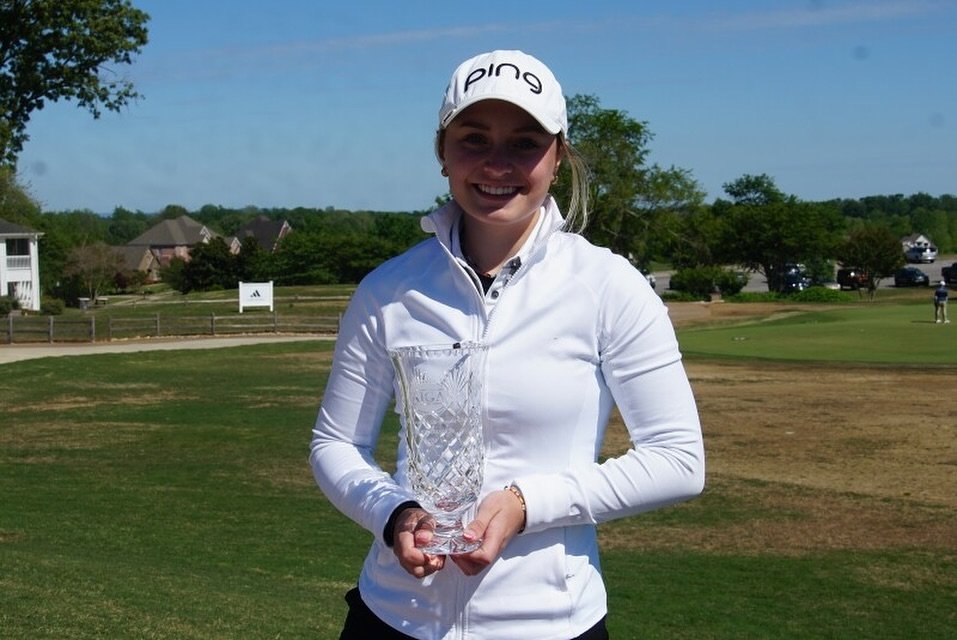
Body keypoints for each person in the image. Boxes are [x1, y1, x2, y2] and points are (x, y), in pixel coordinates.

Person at [310, 49, 705, 640]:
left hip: (549, 623)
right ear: (442, 151)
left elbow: (678, 460)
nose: (497, 164)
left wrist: (527, 503)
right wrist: (393, 513)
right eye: (473, 139)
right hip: (394, 617)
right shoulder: (389, 289)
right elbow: (336, 444)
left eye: (524, 142)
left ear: (557, 156)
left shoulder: (606, 284)